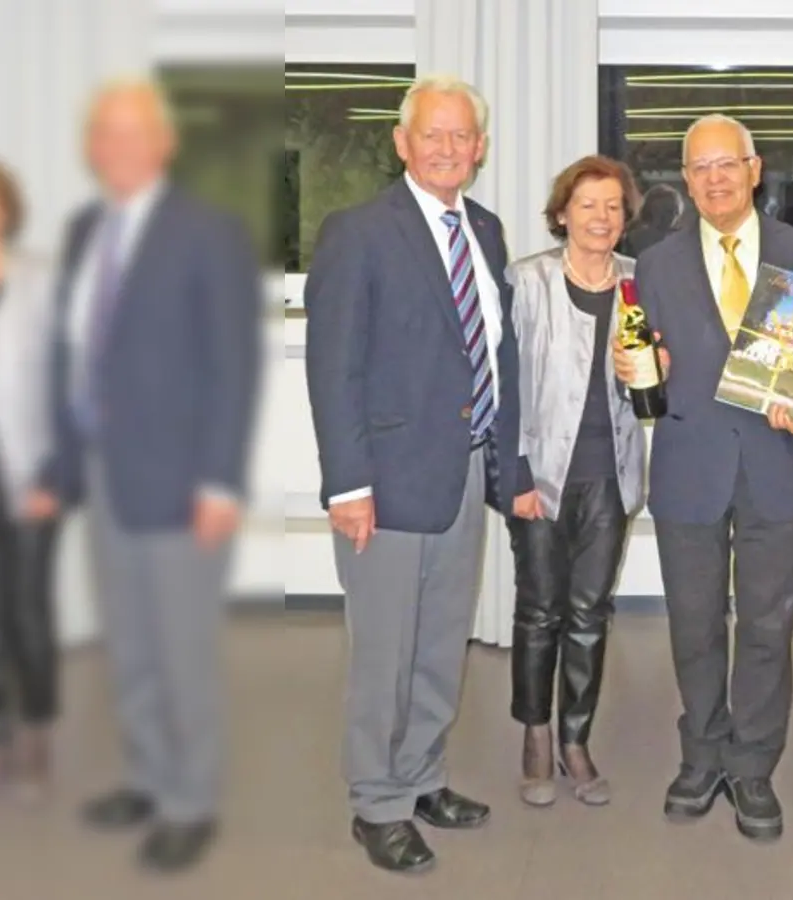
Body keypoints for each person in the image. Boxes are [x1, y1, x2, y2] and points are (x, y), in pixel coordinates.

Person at [26, 78, 262, 872]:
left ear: (164, 143)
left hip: (181, 482)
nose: (116, 147)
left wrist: (221, 482)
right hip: (103, 474)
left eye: (132, 133)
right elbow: (74, 358)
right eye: (104, 133)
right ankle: (148, 778)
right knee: (128, 644)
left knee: (180, 650)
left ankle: (189, 802)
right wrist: (59, 466)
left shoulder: (209, 232)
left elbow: (233, 365)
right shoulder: (84, 229)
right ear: (90, 147)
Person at [305, 74, 530, 875]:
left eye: (460, 135)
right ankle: (378, 802)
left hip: (463, 470)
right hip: (386, 481)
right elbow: (334, 368)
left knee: (440, 640)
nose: (446, 148)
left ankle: (423, 776)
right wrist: (347, 485)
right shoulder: (358, 232)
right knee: (385, 653)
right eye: (431, 133)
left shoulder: (487, 231)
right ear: (402, 143)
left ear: (480, 148)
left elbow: (494, 351)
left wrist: (505, 463)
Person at [613, 113, 793, 843]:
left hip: (774, 465)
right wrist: (643, 371)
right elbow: (647, 370)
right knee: (694, 624)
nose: (714, 179)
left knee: (768, 626)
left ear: (754, 169)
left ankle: (753, 765)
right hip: (689, 466)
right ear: (686, 179)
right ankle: (701, 754)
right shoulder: (654, 264)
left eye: (726, 164)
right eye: (699, 168)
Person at [507, 155, 647, 809]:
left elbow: (652, 387)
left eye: (613, 206)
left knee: (591, 612)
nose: (601, 217)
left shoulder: (638, 283)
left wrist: (657, 367)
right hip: (541, 475)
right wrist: (513, 473)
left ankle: (575, 739)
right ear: (562, 213)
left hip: (610, 474)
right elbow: (504, 387)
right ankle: (535, 734)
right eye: (588, 204)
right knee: (540, 610)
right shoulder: (527, 280)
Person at [0, 155, 60, 801]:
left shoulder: (38, 282)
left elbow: (69, 385)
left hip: (28, 471)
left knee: (27, 610)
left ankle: (36, 729)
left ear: (4, 212)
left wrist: (54, 473)